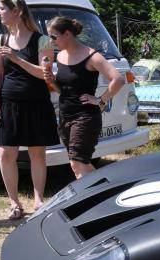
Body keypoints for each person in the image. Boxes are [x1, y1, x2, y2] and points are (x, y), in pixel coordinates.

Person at [0, 0, 59, 220]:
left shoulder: (42, 40)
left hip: (36, 103)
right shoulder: (2, 40)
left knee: (37, 153)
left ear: (17, 11)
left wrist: (16, 58)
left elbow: (44, 74)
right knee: (5, 154)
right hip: (8, 104)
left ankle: (38, 201)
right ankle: (14, 203)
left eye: (2, 8)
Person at [43, 17, 124, 180]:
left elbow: (118, 79)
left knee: (77, 164)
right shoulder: (60, 57)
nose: (51, 42)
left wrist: (101, 100)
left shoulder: (92, 56)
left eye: (53, 37)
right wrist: (52, 81)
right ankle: (105, 189)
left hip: (85, 117)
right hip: (65, 116)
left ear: (67, 34)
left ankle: (95, 195)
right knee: (81, 163)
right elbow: (63, 90)